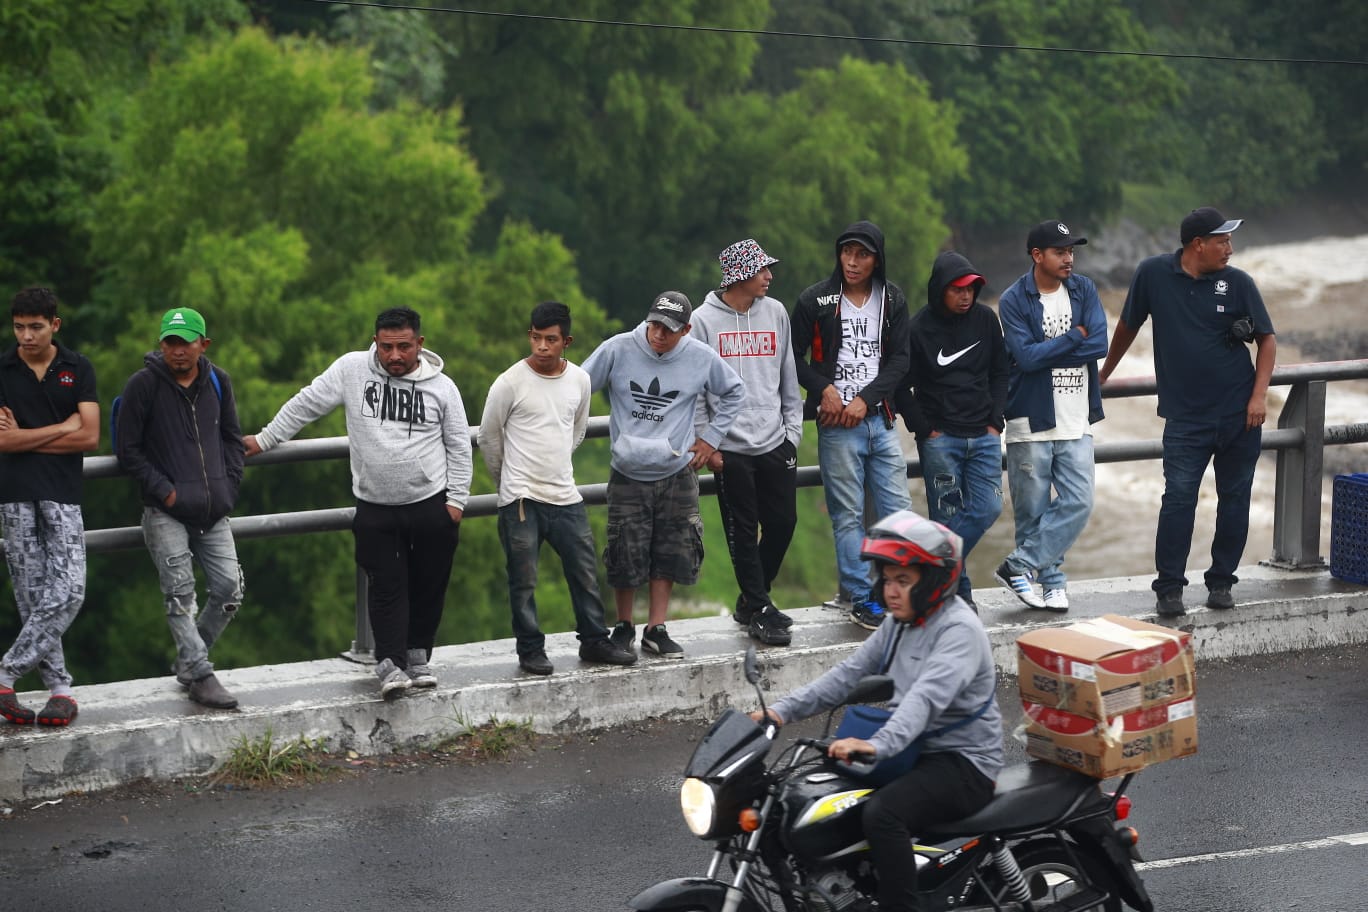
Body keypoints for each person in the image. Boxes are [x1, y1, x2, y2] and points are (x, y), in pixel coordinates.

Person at [751, 511, 1002, 912]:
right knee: (819, 800)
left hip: (963, 762)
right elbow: (847, 676)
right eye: (887, 579)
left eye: (903, 581)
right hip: (915, 751)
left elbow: (924, 700)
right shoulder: (901, 624)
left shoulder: (959, 631)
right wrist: (779, 712)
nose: (891, 590)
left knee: (883, 813)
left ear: (933, 581)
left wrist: (875, 746)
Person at [244, 307, 471, 696]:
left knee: (429, 582)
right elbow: (307, 402)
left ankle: (418, 657)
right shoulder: (352, 369)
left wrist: (457, 502)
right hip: (375, 504)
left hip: (429, 503)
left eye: (403, 346)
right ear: (375, 342)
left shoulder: (442, 387)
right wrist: (265, 439)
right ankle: (390, 665)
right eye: (386, 347)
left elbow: (459, 445)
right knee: (385, 584)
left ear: (420, 343)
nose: (395, 356)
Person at [1100, 207, 1276, 617]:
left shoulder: (1238, 284)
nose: (1229, 249)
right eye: (1222, 241)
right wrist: (1104, 373)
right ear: (1198, 244)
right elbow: (1128, 325)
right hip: (1185, 419)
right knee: (1178, 500)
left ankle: (1221, 582)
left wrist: (1259, 396)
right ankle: (1169, 590)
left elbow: (1266, 340)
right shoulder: (1153, 274)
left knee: (1234, 500)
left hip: (1239, 416)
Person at [478, 302, 638, 676]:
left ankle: (595, 640)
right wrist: (506, 482)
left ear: (566, 341)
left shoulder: (579, 380)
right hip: (520, 497)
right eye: (536, 337)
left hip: (565, 495)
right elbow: (489, 437)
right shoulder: (509, 382)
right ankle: (531, 649)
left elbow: (576, 430)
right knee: (524, 579)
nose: (542, 347)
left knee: (584, 571)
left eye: (550, 339)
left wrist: (554, 465)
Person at [582, 291, 744, 659]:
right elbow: (578, 386)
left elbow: (735, 391)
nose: (658, 334)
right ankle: (623, 625)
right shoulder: (618, 348)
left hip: (677, 469)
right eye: (654, 325)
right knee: (624, 548)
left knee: (672, 547)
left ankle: (657, 626)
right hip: (628, 469)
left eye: (669, 330)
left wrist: (710, 440)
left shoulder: (700, 357)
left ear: (686, 329)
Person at [115, 308, 246, 710]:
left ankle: (190, 662)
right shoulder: (143, 386)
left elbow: (231, 437)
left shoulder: (217, 381)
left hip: (212, 510)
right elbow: (127, 451)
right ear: (161, 345)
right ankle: (202, 676)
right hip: (165, 510)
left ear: (202, 344)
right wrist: (165, 492)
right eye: (169, 342)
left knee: (229, 590)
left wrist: (229, 484)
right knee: (179, 593)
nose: (176, 351)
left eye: (185, 342)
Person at [792, 221, 912, 630]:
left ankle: (899, 591)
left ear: (877, 258)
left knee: (898, 510)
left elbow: (900, 360)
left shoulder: (892, 298)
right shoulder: (817, 299)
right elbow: (791, 357)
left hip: (880, 419)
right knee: (847, 516)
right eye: (847, 253)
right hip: (836, 425)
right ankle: (862, 598)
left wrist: (866, 399)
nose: (852, 262)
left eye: (862, 254)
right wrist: (824, 388)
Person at [691, 239, 803, 647]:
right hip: (730, 448)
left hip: (775, 441)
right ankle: (758, 608)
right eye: (762, 271)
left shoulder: (775, 313)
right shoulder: (703, 321)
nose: (770, 277)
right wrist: (711, 444)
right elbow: (697, 389)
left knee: (783, 523)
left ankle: (751, 600)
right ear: (740, 275)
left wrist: (792, 435)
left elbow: (788, 377)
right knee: (741, 529)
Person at [993, 221, 1108, 613]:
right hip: (1031, 420)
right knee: (1032, 513)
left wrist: (1052, 349)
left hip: (1076, 419)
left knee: (1079, 501)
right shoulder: (1013, 300)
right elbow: (1025, 358)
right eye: (1060, 252)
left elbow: (1100, 344)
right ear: (1037, 255)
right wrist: (1075, 336)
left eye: (1072, 251)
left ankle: (1020, 566)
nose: (1069, 259)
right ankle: (1052, 584)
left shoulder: (1084, 289)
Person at [0, 286, 98, 727]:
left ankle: (5, 673)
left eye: (35, 326)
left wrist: (26, 438)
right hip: (13, 493)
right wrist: (62, 427)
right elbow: (3, 441)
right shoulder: (2, 368)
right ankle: (59, 690)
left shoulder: (78, 367)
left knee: (70, 588)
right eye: (19, 326)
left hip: (63, 493)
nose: (26, 335)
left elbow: (90, 437)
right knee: (33, 596)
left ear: (54, 324)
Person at [898, 251, 1008, 608]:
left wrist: (995, 422)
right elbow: (901, 386)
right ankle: (960, 597)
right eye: (958, 290)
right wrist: (924, 429)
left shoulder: (986, 320)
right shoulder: (918, 329)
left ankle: (931, 564)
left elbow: (1000, 373)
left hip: (984, 435)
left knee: (989, 508)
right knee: (944, 519)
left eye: (971, 289)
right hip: (941, 439)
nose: (966, 296)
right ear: (940, 290)